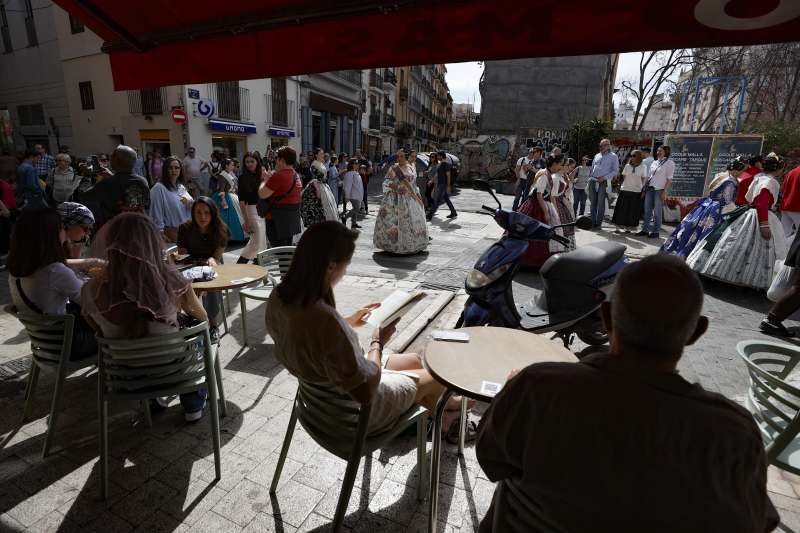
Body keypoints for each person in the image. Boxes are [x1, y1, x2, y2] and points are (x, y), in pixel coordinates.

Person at [476, 254, 778, 533]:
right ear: (696, 332)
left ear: (606, 317)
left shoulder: (538, 387)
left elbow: (492, 460)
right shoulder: (735, 433)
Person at [266, 221, 468, 436]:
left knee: (415, 362)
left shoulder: (280, 297)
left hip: (322, 401)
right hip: (354, 415)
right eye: (346, 265)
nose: (344, 273)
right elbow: (365, 392)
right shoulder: (325, 319)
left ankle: (442, 415)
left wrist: (350, 320)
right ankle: (448, 413)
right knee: (435, 377)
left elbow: (310, 332)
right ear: (331, 266)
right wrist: (377, 343)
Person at [82, 212, 209, 421]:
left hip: (126, 375)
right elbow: (203, 318)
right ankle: (193, 405)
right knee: (202, 339)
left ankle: (152, 401)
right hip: (173, 370)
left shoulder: (90, 291)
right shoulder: (172, 280)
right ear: (152, 242)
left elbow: (97, 331)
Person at [8, 209, 99, 360]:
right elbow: (92, 303)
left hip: (46, 344)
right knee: (116, 327)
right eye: (61, 228)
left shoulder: (16, 269)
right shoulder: (54, 271)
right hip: (69, 346)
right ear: (50, 234)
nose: (64, 231)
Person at [688, 153, 788, 290]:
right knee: (754, 247)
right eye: (782, 168)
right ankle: (744, 276)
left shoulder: (759, 177)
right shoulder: (771, 182)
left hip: (748, 212)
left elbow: (751, 198)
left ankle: (720, 269)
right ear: (778, 168)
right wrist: (764, 225)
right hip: (760, 215)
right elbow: (762, 204)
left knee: (732, 241)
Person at [662, 157, 745, 258]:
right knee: (706, 233)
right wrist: (736, 212)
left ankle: (679, 250)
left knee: (692, 230)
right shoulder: (730, 182)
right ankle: (693, 256)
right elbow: (727, 201)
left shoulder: (722, 176)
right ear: (737, 171)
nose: (742, 173)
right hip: (716, 210)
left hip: (707, 206)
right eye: (742, 171)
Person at [177, 197, 229, 337]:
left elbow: (217, 257)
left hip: (212, 267)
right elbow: (183, 256)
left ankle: (213, 325)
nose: (202, 216)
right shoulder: (185, 228)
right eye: (198, 212)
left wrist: (211, 260)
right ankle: (190, 320)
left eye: (206, 212)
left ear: (212, 213)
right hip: (190, 266)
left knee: (211, 284)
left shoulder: (221, 229)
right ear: (193, 213)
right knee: (177, 284)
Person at [80, 145, 151, 229]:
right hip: (139, 228)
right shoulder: (142, 181)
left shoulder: (106, 183)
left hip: (115, 231)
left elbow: (84, 196)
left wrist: (87, 177)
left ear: (117, 161)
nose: (109, 160)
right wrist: (112, 176)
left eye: (111, 157)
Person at [374, 148, 428, 254]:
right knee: (394, 221)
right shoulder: (394, 168)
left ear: (407, 157)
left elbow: (413, 184)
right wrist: (396, 187)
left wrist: (417, 196)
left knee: (411, 221)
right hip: (395, 199)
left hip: (410, 198)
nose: (399, 158)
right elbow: (386, 182)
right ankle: (394, 245)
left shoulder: (411, 167)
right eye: (398, 156)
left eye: (402, 156)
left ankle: (411, 244)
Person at [518, 154, 566, 267]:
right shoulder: (544, 175)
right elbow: (539, 195)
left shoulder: (547, 173)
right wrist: (545, 212)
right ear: (554, 164)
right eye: (561, 164)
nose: (561, 166)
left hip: (538, 204)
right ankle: (528, 260)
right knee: (535, 232)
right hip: (535, 206)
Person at [258, 146, 303, 247]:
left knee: (279, 253)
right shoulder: (296, 175)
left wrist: (265, 180)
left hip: (276, 221)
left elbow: (262, 193)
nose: (275, 161)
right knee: (286, 251)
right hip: (290, 220)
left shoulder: (279, 176)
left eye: (277, 158)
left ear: (282, 160)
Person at [149, 157, 193, 243]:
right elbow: (156, 213)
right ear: (165, 170)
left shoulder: (181, 187)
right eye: (170, 168)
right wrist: (160, 233)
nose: (174, 170)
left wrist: (191, 203)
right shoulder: (158, 188)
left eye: (177, 168)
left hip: (187, 231)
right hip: (171, 233)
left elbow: (191, 205)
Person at [237, 152, 268, 263]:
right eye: (247, 162)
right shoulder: (242, 178)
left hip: (263, 211)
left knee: (261, 243)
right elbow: (241, 201)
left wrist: (265, 178)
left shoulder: (262, 175)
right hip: (251, 211)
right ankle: (239, 266)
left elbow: (267, 193)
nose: (249, 164)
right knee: (256, 243)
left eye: (252, 161)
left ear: (257, 162)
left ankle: (258, 269)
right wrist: (246, 221)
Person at [638, 145, 675, 238]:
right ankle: (645, 230)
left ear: (666, 152)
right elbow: (648, 177)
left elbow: (669, 179)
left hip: (659, 190)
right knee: (647, 211)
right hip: (649, 189)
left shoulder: (670, 163)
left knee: (657, 213)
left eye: (660, 151)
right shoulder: (654, 162)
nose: (658, 152)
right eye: (657, 151)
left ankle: (656, 232)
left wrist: (664, 192)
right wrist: (644, 189)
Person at [612, 149, 648, 233]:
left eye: (634, 156)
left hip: (636, 191)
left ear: (639, 157)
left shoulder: (644, 167)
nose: (632, 157)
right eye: (631, 156)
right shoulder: (627, 166)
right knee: (621, 209)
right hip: (625, 189)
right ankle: (618, 226)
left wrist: (640, 188)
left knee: (632, 211)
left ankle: (628, 227)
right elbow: (624, 177)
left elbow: (643, 179)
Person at [213, 158, 246, 243]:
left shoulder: (229, 173)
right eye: (231, 165)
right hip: (224, 198)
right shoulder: (222, 175)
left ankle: (234, 237)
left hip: (230, 196)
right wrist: (223, 200)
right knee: (227, 218)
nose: (233, 166)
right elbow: (221, 189)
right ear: (226, 166)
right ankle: (228, 238)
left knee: (234, 217)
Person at [589, 139, 619, 228]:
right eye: (601, 145)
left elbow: (615, 171)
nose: (601, 147)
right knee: (592, 202)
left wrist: (604, 178)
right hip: (593, 181)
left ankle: (598, 223)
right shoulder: (597, 155)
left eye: (604, 145)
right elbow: (593, 167)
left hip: (604, 182)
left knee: (600, 203)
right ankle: (593, 222)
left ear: (608, 145)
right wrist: (590, 177)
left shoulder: (613, 156)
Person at [300, 161, 339, 228]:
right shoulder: (314, 164)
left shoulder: (321, 163)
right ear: (316, 154)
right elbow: (315, 177)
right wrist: (317, 188)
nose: (322, 155)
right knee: (317, 207)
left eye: (322, 154)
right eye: (320, 154)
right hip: (317, 186)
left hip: (324, 186)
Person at [427, 150, 458, 221]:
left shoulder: (445, 164)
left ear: (441, 156)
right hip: (440, 184)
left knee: (436, 200)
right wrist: (431, 181)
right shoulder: (440, 164)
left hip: (443, 185)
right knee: (446, 199)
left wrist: (448, 186)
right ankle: (453, 212)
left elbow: (448, 175)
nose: (437, 157)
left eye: (438, 155)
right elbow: (437, 174)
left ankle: (430, 215)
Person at [512, 147, 541, 211]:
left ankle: (521, 210)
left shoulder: (533, 161)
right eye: (531, 152)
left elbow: (531, 172)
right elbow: (516, 169)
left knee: (525, 198)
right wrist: (518, 179)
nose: (532, 154)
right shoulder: (522, 159)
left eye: (533, 153)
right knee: (517, 197)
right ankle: (514, 210)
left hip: (529, 182)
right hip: (521, 180)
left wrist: (529, 168)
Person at [342, 160, 364, 229]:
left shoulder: (356, 173)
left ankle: (354, 223)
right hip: (353, 195)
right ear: (352, 165)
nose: (358, 165)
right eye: (356, 163)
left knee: (356, 209)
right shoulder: (349, 174)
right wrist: (347, 196)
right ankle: (344, 217)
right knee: (356, 209)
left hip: (357, 194)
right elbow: (347, 186)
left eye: (358, 163)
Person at [780, 162, 800, 238]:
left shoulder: (792, 171)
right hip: (797, 208)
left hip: (785, 206)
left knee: (783, 234)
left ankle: (778, 249)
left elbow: (782, 189)